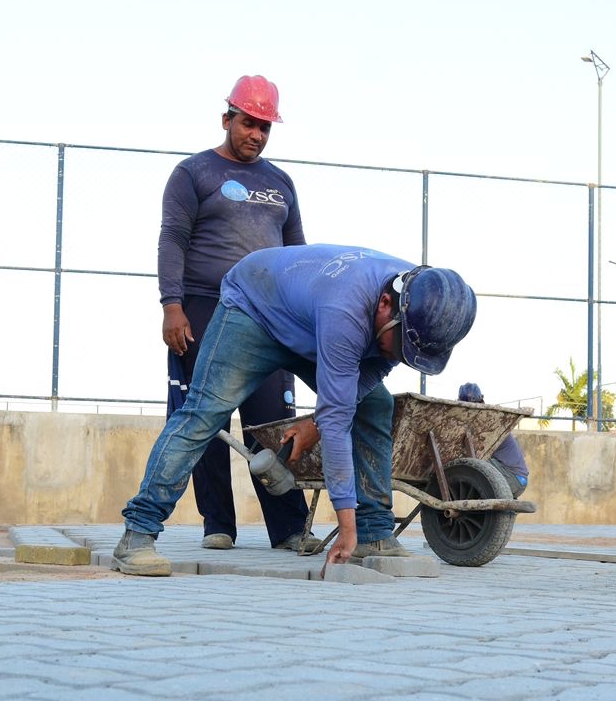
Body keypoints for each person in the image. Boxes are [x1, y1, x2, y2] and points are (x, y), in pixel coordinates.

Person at [114, 245, 477, 577]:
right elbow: (337, 421)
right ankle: (138, 533)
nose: (398, 357)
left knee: (375, 404)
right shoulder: (348, 307)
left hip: (310, 321)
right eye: (399, 347)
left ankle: (375, 534)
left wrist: (314, 422)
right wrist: (343, 531)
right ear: (385, 304)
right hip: (254, 307)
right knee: (204, 413)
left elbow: (361, 385)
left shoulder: (418, 307)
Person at [156, 74, 311, 553]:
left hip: (270, 315)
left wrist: (304, 316)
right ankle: (217, 524)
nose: (257, 135)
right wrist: (172, 307)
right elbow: (173, 240)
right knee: (207, 420)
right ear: (227, 119)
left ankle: (289, 529)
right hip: (206, 307)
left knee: (273, 422)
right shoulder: (193, 173)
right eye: (249, 123)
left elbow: (297, 254)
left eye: (265, 127)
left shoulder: (280, 182)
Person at [457, 382, 531, 493]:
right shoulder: (487, 420)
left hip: (512, 478)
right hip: (518, 479)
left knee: (468, 462)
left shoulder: (486, 423)